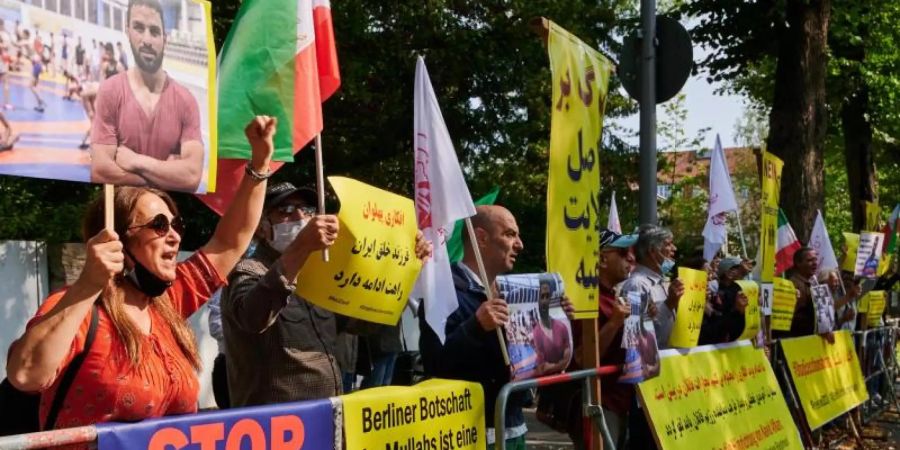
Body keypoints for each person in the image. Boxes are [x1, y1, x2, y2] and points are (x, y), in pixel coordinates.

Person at [5, 116, 278, 432]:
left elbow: (230, 241)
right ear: (119, 239)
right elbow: (25, 374)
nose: (174, 236)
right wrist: (87, 287)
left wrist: (260, 163)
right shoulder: (77, 309)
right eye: (159, 226)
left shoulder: (168, 303)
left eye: (177, 225)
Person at [221, 182, 432, 406]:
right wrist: (301, 248)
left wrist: (404, 266)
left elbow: (361, 324)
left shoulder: (320, 274)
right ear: (261, 227)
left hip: (328, 415)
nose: (301, 217)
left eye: (307, 210)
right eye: (286, 211)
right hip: (275, 427)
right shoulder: (247, 271)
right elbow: (253, 317)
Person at [419, 205, 527, 449]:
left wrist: (554, 320)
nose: (519, 244)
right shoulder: (442, 292)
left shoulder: (514, 293)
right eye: (510, 234)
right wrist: (476, 327)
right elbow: (436, 365)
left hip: (514, 427)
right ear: (481, 238)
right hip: (472, 435)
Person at [89, 0, 204, 192]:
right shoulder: (111, 90)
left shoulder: (186, 100)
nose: (147, 40)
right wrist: (165, 174)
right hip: (122, 209)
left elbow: (192, 177)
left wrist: (135, 161)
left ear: (164, 39)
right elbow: (100, 170)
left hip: (165, 212)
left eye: (154, 31)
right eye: (139, 28)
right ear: (128, 32)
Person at [620, 224, 684, 349]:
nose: (674, 248)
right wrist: (669, 304)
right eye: (668, 244)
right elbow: (633, 336)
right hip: (652, 365)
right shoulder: (636, 285)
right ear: (652, 250)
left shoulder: (663, 283)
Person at [698, 257, 749, 344]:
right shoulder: (717, 296)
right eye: (740, 270)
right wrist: (736, 310)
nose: (744, 274)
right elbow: (715, 330)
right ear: (729, 273)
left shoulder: (740, 291)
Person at [775, 247, 819, 338]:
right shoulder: (792, 285)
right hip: (796, 340)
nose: (815, 263)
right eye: (810, 260)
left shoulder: (811, 284)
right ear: (798, 263)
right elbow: (786, 317)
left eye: (815, 259)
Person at [531, 277, 571, 376]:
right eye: (541, 297)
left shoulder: (561, 326)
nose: (543, 301)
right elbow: (540, 367)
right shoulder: (534, 330)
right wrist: (558, 365)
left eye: (546, 296)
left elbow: (567, 356)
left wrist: (554, 366)